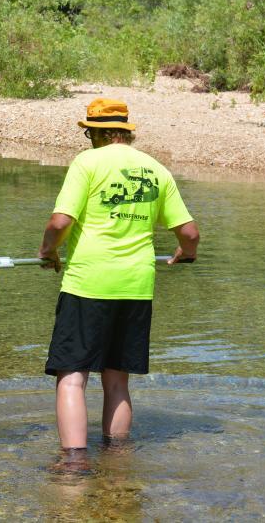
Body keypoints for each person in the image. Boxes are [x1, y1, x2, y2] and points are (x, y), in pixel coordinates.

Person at [38, 98, 199, 453]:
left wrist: (48, 251)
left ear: (93, 132)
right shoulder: (156, 170)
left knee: (71, 379)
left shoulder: (87, 162)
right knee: (116, 382)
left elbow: (60, 222)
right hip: (137, 288)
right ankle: (117, 462)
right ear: (126, 131)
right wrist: (185, 254)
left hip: (88, 283)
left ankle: (74, 466)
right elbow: (189, 234)